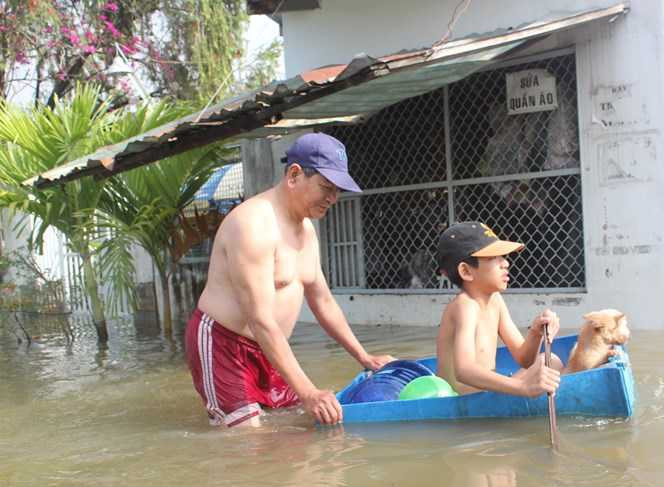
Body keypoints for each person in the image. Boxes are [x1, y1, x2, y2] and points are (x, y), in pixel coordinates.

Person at [185, 132, 394, 428]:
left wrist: (364, 357)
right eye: (326, 188)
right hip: (224, 343)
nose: (333, 199)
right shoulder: (253, 225)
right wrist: (308, 391)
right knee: (248, 437)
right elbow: (259, 319)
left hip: (269, 346)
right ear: (294, 175)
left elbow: (322, 300)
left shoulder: (307, 230)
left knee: (302, 424)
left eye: (337, 190)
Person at [435, 221, 562, 396]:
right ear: (466, 272)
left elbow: (525, 360)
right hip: (463, 403)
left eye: (503, 256)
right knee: (550, 365)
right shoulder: (465, 306)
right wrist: (522, 388)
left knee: (549, 362)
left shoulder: (495, 300)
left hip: (486, 395)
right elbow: (463, 371)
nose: (506, 264)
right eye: (493, 258)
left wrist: (536, 332)